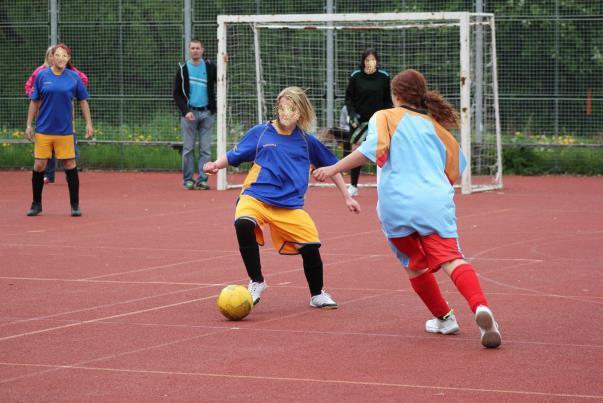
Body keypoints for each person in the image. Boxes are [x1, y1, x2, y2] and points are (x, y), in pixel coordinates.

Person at [313, 69, 502, 348]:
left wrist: (333, 168)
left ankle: (444, 318)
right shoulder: (439, 131)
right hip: (433, 203)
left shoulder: (385, 116)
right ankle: (480, 308)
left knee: (414, 265)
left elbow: (371, 149)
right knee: (451, 258)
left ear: (396, 95)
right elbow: (455, 169)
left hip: (395, 206)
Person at [203, 87, 361, 309]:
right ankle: (257, 281)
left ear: (300, 112)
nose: (286, 112)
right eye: (283, 107)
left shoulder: (307, 142)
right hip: (256, 196)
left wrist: (347, 197)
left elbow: (333, 168)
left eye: (292, 108)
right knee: (243, 224)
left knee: (311, 247)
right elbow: (233, 155)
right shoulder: (261, 133)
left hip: (289, 205)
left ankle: (317, 294)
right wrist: (215, 165)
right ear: (277, 108)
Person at [25, 43, 93, 217]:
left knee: (69, 164)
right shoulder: (41, 76)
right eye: (58, 55)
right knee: (39, 165)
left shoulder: (73, 78)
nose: (61, 58)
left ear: (68, 59)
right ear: (52, 57)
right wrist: (28, 125)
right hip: (43, 129)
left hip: (65, 131)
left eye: (65, 56)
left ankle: (75, 205)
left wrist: (88, 124)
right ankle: (36, 203)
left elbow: (83, 101)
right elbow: (34, 102)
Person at [344, 48, 392, 196]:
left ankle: (384, 186)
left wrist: (387, 117)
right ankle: (353, 185)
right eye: (367, 60)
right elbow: (349, 99)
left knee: (383, 152)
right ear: (363, 61)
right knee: (356, 151)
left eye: (373, 59)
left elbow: (388, 101)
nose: (370, 62)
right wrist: (352, 115)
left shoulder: (384, 77)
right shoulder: (355, 76)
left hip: (378, 121)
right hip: (359, 122)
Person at [173, 38, 217, 190]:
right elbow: (176, 93)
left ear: (202, 50)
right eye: (192, 48)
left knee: (205, 149)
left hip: (207, 113)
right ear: (189, 50)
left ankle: (202, 180)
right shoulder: (183, 68)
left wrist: (225, 63)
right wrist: (186, 111)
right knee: (188, 148)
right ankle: (188, 179)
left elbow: (223, 78)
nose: (195, 51)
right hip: (190, 114)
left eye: (197, 48)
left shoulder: (210, 67)